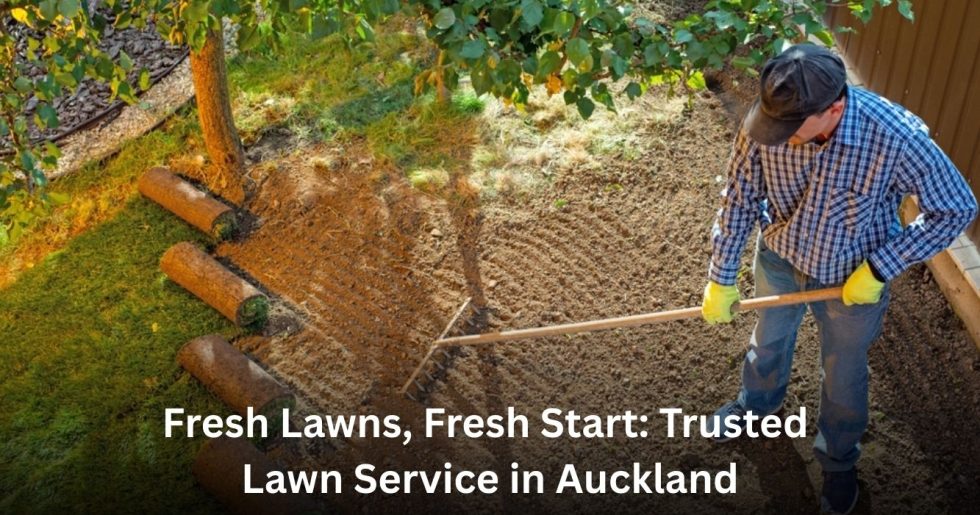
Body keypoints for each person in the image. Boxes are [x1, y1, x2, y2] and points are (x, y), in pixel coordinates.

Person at [700, 44, 978, 514]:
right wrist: (722, 275)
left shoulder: (893, 136)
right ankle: (757, 406)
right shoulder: (771, 119)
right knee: (767, 339)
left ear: (834, 108)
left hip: (852, 279)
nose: (777, 137)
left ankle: (838, 462)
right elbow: (741, 195)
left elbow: (955, 208)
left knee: (844, 372)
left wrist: (881, 268)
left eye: (790, 129)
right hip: (780, 258)